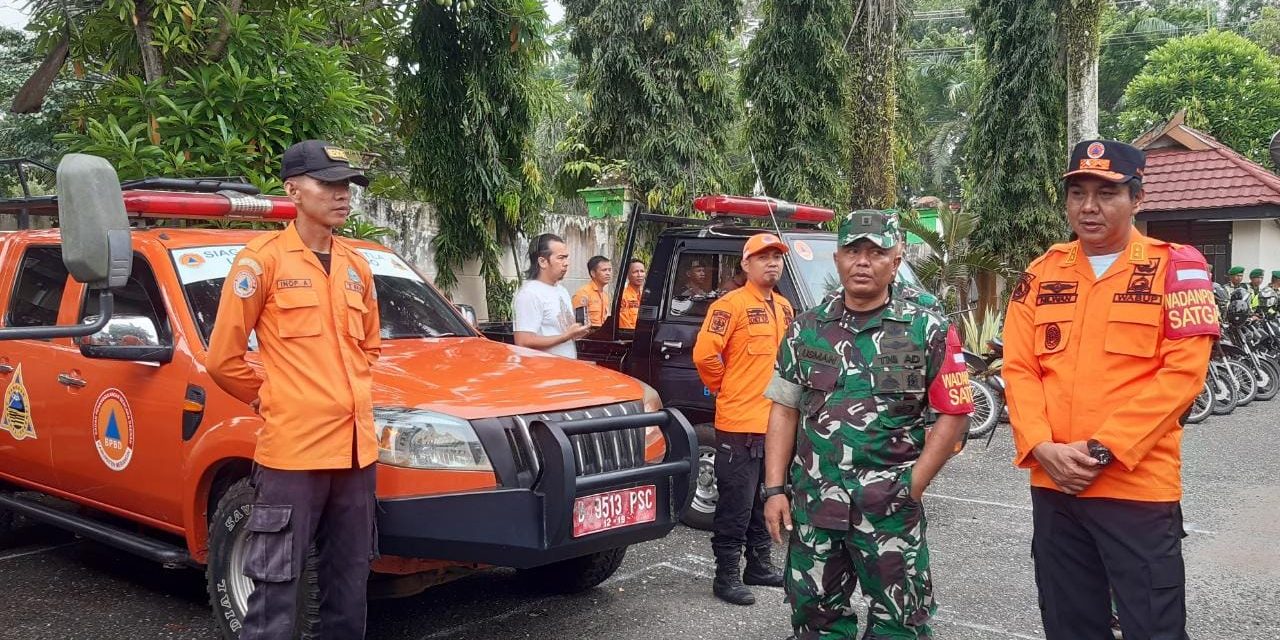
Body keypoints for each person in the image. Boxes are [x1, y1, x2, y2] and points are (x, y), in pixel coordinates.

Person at [1003, 140, 1217, 640]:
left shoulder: (1175, 267)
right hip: (1055, 485)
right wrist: (1041, 446)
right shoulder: (1041, 273)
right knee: (1069, 624)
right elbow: (1019, 368)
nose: (1089, 207)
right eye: (1077, 193)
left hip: (1136, 488)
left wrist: (1103, 450)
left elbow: (1182, 375)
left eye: (1107, 193)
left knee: (1152, 628)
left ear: (1137, 199)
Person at [761, 209, 973, 638]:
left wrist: (914, 484)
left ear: (895, 261)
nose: (863, 261)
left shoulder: (927, 329)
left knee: (899, 623)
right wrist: (775, 490)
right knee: (815, 620)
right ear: (837, 258)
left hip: (890, 511)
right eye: (853, 251)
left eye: (876, 252)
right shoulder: (805, 330)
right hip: (815, 506)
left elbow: (953, 413)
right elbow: (784, 410)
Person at [207, 139, 382, 639]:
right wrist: (272, 397)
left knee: (349, 588)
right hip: (293, 456)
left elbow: (368, 350)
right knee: (275, 592)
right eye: (328, 184)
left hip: (355, 456)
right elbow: (223, 358)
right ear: (293, 190)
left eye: (346, 185)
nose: (342, 194)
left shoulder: (357, 266)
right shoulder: (260, 262)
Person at [692, 233, 795, 606]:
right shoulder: (728, 306)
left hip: (776, 425)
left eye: (777, 257)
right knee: (735, 503)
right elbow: (705, 355)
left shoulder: (784, 307)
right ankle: (727, 576)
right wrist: (725, 388)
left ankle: (760, 565)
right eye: (763, 257)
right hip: (739, 423)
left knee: (765, 498)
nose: (772, 263)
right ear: (746, 265)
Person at [513, 233, 592, 358]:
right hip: (545, 372)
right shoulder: (529, 294)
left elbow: (562, 330)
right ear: (543, 262)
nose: (566, 263)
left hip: (567, 370)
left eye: (567, 258)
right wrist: (565, 336)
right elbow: (523, 341)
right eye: (561, 258)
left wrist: (576, 333)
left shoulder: (562, 291)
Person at [573, 255, 613, 326]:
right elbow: (580, 324)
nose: (608, 273)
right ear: (593, 273)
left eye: (609, 270)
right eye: (604, 270)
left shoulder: (605, 295)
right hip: (587, 336)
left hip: (602, 335)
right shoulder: (583, 293)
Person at [618, 259, 645, 330]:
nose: (639, 275)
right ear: (627, 275)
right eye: (635, 272)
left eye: (642, 271)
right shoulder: (623, 297)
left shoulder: (646, 296)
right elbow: (624, 325)